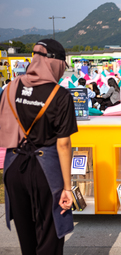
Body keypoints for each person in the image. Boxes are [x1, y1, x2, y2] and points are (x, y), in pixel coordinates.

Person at [0, 39, 77, 254]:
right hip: (45, 171)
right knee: (50, 237)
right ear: (54, 62)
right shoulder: (60, 95)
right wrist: (67, 188)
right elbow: (63, 144)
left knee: (26, 235)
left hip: (14, 167)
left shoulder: (10, 87)